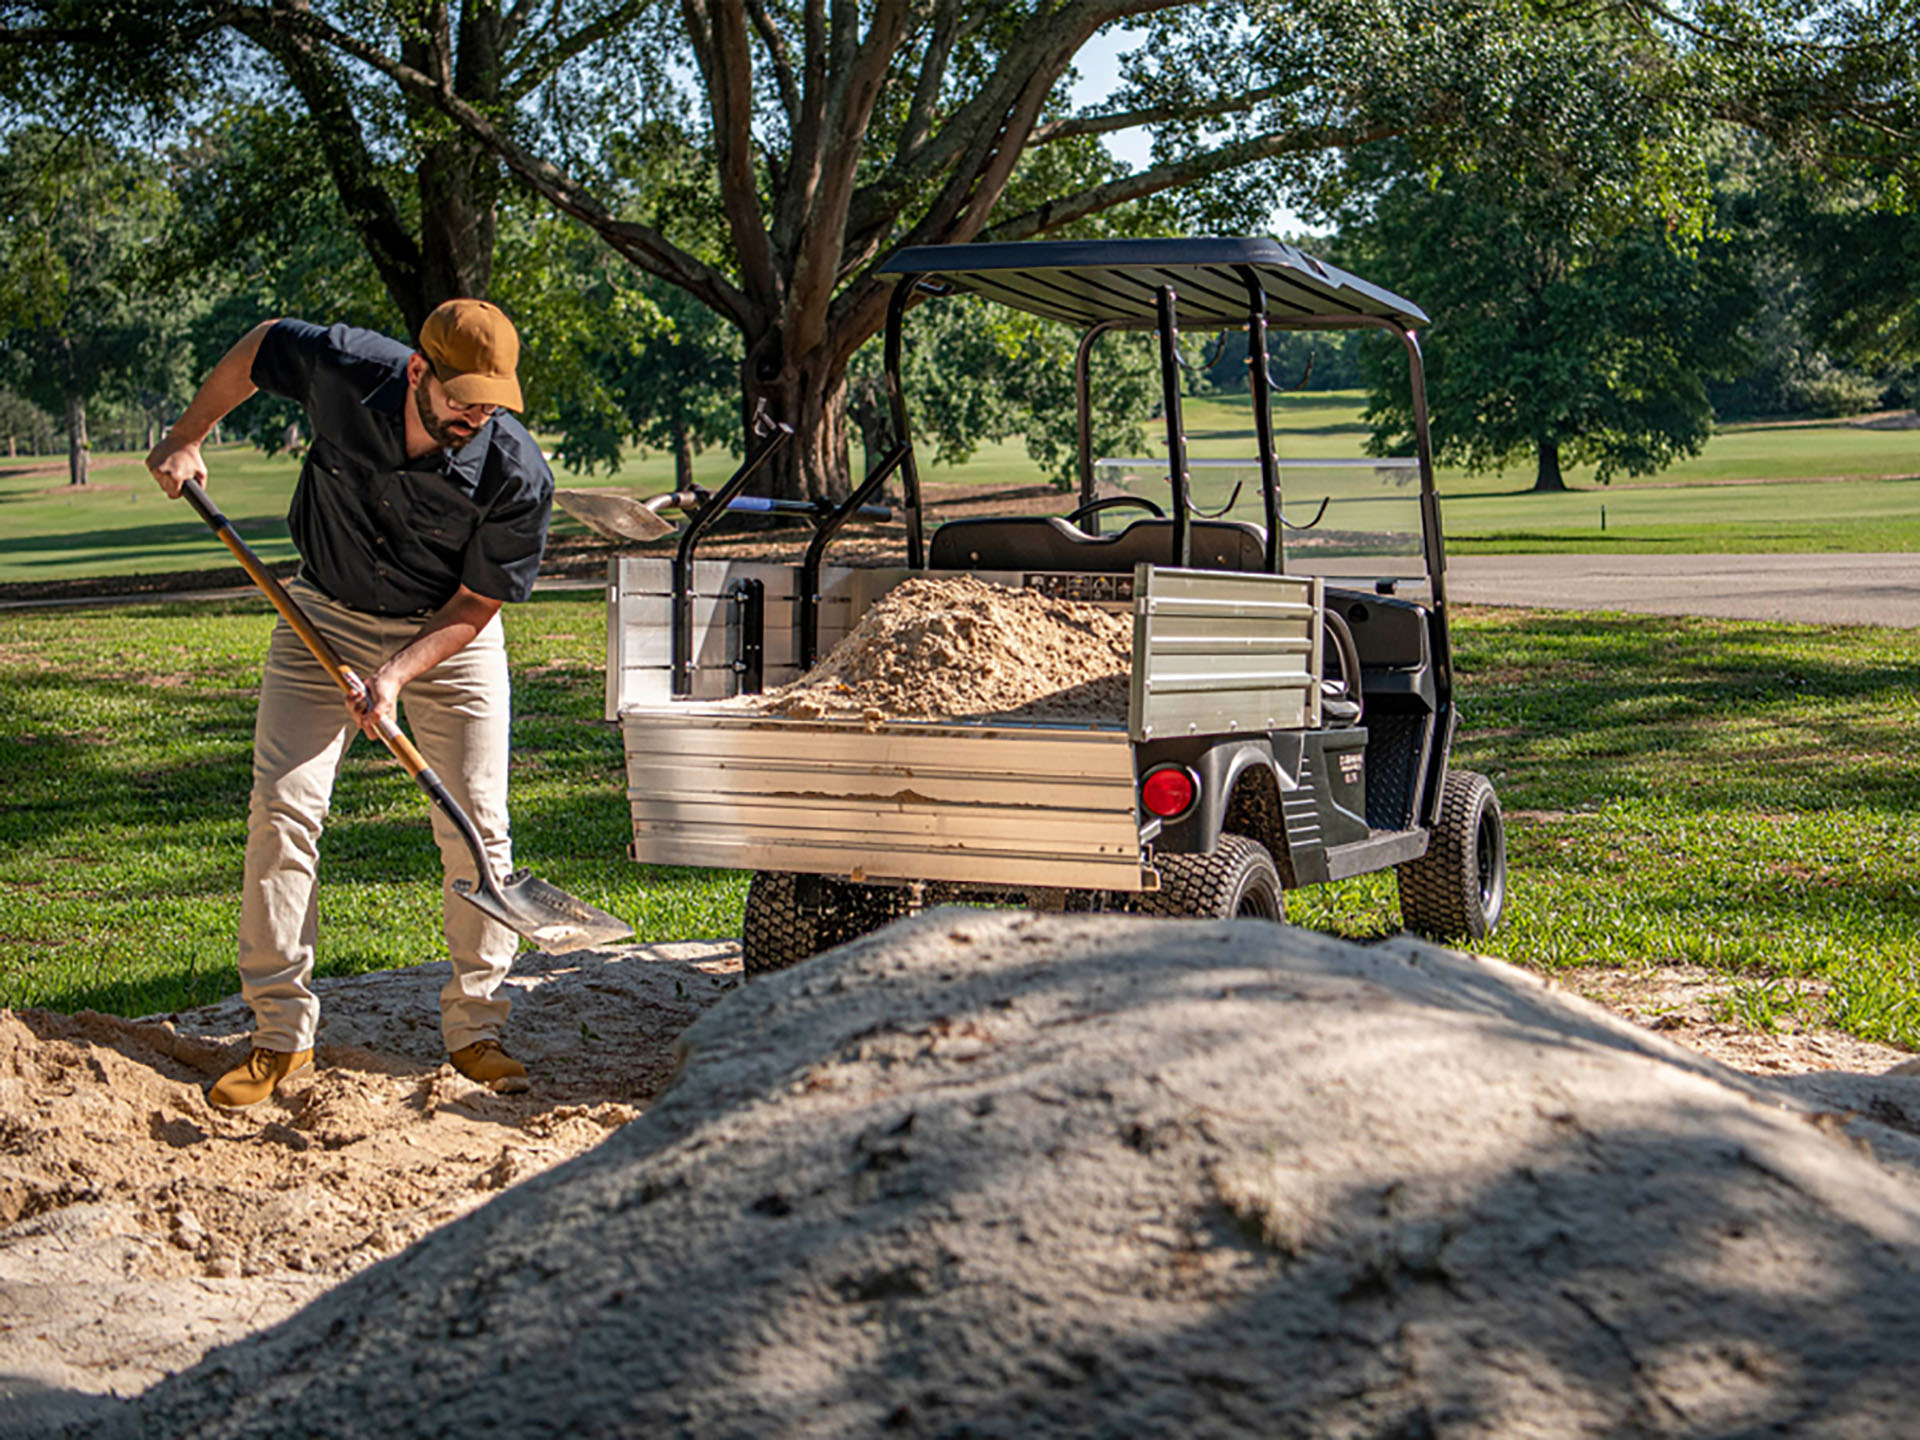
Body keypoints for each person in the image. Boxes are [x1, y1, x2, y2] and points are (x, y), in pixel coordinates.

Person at [145, 300, 554, 1108]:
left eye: (492, 401)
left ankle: (477, 1028)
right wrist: (188, 434)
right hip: (321, 614)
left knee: (477, 825)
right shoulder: (344, 367)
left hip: (445, 637)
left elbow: (476, 606)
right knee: (284, 811)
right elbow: (259, 347)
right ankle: (279, 1035)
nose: (476, 414)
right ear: (416, 372)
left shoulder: (515, 473)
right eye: (462, 396)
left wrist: (397, 675)